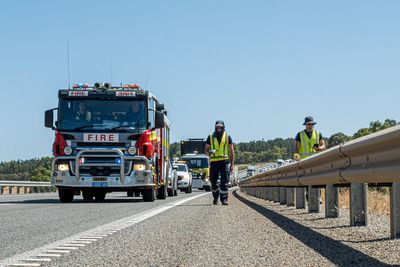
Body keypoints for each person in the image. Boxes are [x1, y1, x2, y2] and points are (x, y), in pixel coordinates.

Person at [205, 120, 235, 205]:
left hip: (224, 161)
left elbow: (232, 152)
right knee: (213, 181)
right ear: (215, 127)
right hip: (214, 162)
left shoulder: (227, 137)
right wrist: (210, 151)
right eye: (217, 127)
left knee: (224, 181)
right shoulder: (210, 137)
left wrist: (232, 165)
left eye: (220, 127)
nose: (219, 128)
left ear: (223, 127)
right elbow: (206, 150)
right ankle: (215, 197)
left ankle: (224, 199)